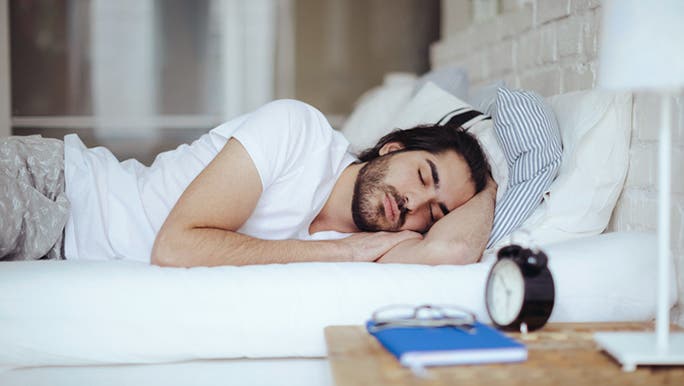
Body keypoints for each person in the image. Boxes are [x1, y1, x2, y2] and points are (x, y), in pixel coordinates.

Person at [0, 99, 495, 267]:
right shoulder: (297, 130)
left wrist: (494, 183)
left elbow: (448, 253)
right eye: (424, 176)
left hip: (62, 246)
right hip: (59, 190)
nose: (414, 204)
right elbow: (175, 247)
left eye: (435, 212)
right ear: (392, 148)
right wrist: (339, 253)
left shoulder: (382, 238)